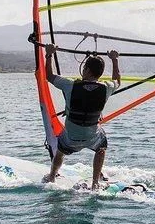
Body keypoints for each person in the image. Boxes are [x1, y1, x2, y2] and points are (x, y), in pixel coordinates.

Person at [42, 44, 120, 189]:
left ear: (87, 70)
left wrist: (49, 54)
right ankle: (95, 183)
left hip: (71, 137)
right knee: (101, 147)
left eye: (84, 68)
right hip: (92, 136)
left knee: (60, 152)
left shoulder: (70, 85)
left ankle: (52, 176)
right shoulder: (106, 87)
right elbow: (118, 81)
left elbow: (49, 76)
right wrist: (114, 60)